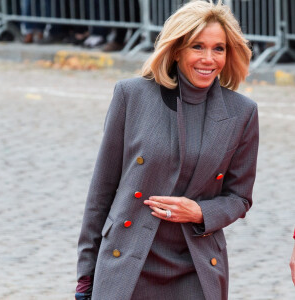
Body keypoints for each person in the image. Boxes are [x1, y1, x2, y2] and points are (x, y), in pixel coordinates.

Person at [75, 0, 259, 299]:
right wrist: (85, 277)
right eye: (197, 46)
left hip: (196, 269)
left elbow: (240, 197)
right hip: (127, 263)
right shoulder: (131, 95)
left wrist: (200, 211)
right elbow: (101, 190)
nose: (209, 58)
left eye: (219, 48)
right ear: (176, 49)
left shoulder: (243, 112)